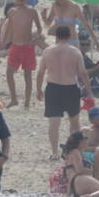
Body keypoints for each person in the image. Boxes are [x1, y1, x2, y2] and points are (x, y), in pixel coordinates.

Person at [36, 24, 89, 159]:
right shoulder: (75, 51)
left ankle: (54, 152)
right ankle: (74, 151)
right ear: (69, 36)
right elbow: (83, 73)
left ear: (57, 36)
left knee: (54, 122)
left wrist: (38, 90)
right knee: (74, 122)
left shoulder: (48, 51)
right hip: (70, 88)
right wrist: (89, 91)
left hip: (53, 88)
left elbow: (40, 73)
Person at [1, 0, 43, 108]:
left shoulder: (32, 11)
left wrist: (34, 39)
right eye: (18, 0)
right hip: (15, 45)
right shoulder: (12, 11)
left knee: (27, 75)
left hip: (27, 46)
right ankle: (14, 98)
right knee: (9, 72)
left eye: (22, 0)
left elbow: (39, 28)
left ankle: (27, 102)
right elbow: (9, 29)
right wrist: (3, 42)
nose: (19, 2)